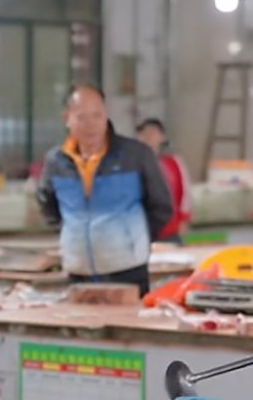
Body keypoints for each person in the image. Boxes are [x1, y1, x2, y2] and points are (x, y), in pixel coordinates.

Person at [37, 86, 174, 296]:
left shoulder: (135, 155)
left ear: (106, 115)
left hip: (128, 269)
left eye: (97, 115)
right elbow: (47, 203)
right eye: (81, 117)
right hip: (78, 270)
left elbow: (161, 206)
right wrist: (73, 233)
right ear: (67, 118)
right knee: (80, 316)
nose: (90, 124)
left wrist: (134, 239)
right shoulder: (56, 162)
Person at [136, 118, 192, 244]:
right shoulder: (131, 163)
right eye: (144, 133)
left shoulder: (173, 162)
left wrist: (184, 219)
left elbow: (185, 193)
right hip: (141, 229)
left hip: (170, 230)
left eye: (153, 133)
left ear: (162, 137)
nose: (148, 137)